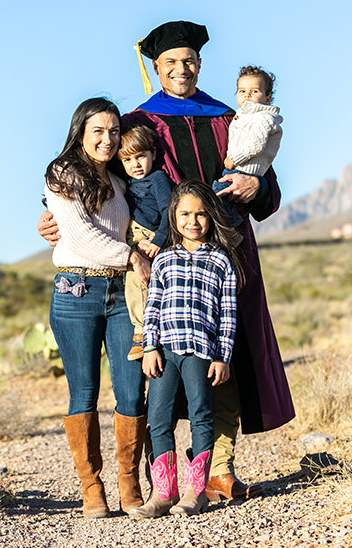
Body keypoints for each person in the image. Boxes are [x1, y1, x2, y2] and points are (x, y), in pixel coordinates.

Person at [39, 21, 295, 501]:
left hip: (227, 254)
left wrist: (257, 186)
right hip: (162, 261)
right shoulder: (139, 123)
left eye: (190, 60)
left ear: (200, 64)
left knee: (225, 357)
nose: (182, 69)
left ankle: (219, 468)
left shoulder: (228, 118)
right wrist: (48, 215)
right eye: (171, 62)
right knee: (158, 363)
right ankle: (159, 477)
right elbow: (96, 183)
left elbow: (268, 184)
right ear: (155, 67)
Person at [44, 97, 149, 517]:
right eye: (98, 132)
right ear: (81, 134)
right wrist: (130, 256)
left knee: (130, 389)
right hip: (76, 293)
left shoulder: (120, 180)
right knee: (84, 392)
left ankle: (129, 482)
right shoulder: (62, 174)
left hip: (122, 295)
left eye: (114, 131)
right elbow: (82, 237)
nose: (108, 139)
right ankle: (92, 487)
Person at [129, 180, 242, 519]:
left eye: (201, 214)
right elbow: (153, 307)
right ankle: (163, 493)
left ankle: (196, 492)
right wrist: (150, 347)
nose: (193, 221)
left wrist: (223, 356)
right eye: (185, 214)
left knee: (201, 415)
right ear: (173, 216)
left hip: (200, 353)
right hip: (165, 351)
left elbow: (228, 314)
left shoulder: (222, 262)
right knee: (158, 418)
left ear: (211, 217)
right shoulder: (164, 260)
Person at [116, 125, 172, 361]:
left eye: (140, 157)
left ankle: (141, 334)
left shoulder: (158, 178)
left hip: (150, 238)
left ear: (153, 155)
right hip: (131, 240)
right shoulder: (125, 184)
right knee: (135, 284)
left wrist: (160, 238)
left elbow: (170, 209)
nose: (135, 164)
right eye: (128, 160)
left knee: (138, 282)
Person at [211, 65, 283, 228]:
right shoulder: (244, 116)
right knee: (222, 197)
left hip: (241, 169)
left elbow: (255, 146)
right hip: (240, 168)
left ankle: (230, 228)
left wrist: (233, 160)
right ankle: (230, 225)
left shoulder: (263, 118)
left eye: (255, 91)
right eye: (242, 91)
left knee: (215, 195)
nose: (247, 95)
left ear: (267, 97)